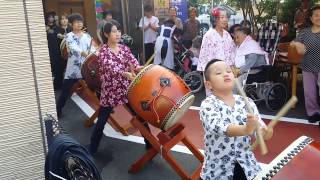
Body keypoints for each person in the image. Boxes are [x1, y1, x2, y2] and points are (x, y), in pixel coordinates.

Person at [199, 59, 273, 180]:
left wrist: (266, 133)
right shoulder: (208, 104)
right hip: (217, 170)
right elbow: (218, 127)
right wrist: (245, 129)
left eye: (229, 71)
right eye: (218, 73)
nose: (226, 74)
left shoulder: (247, 102)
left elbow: (259, 131)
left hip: (248, 167)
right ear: (209, 84)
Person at [90, 20, 151, 154]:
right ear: (106, 34)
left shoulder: (124, 48)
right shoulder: (102, 51)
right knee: (102, 120)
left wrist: (139, 67)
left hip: (126, 88)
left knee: (139, 115)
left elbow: (133, 62)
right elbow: (111, 68)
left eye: (119, 31)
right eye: (113, 31)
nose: (117, 34)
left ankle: (150, 143)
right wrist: (126, 73)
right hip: (110, 91)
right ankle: (92, 148)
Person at [56, 13, 95, 118]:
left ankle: (103, 106)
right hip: (73, 68)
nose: (79, 24)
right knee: (66, 90)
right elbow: (73, 47)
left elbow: (92, 49)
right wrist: (83, 52)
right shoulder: (69, 36)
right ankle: (58, 110)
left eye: (81, 22)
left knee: (95, 84)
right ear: (71, 24)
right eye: (76, 22)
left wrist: (93, 53)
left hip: (86, 67)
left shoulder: (87, 36)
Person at [291, 5, 320, 123]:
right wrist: (298, 45)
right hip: (307, 66)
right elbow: (293, 42)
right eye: (316, 15)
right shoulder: (305, 32)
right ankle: (313, 113)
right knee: (309, 92)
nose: (319, 17)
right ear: (311, 18)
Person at [197, 7, 235, 72]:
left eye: (226, 17)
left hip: (227, 71)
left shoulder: (227, 35)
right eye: (222, 17)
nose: (225, 20)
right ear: (215, 19)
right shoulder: (208, 35)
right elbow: (203, 58)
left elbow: (232, 53)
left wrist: (232, 69)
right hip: (214, 73)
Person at [53, 13, 72, 89]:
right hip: (60, 54)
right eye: (62, 19)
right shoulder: (56, 29)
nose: (64, 20)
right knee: (59, 70)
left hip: (71, 54)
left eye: (65, 19)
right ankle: (58, 86)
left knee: (71, 70)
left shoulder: (71, 28)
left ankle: (72, 86)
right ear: (60, 21)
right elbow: (56, 37)